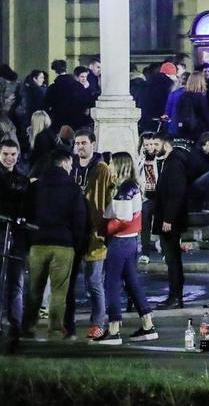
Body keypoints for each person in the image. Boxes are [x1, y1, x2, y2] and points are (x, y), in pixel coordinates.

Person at [23, 148, 86, 340]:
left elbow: (26, 213)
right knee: (59, 290)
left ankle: (28, 326)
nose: (71, 167)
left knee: (34, 288)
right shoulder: (73, 188)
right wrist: (78, 245)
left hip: (38, 243)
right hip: (63, 244)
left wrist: (29, 240)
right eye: (70, 164)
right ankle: (56, 328)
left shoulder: (36, 186)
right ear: (64, 163)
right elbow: (79, 220)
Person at [94, 153, 157, 345]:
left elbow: (122, 219)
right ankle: (147, 324)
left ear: (120, 166)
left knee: (111, 284)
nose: (110, 167)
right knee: (131, 282)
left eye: (112, 164)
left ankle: (114, 330)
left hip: (120, 242)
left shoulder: (125, 188)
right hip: (130, 242)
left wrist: (103, 229)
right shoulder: (131, 186)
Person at [69, 128, 111, 338]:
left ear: (93, 144)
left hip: (95, 233)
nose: (80, 147)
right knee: (70, 282)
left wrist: (102, 230)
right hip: (73, 232)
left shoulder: (101, 168)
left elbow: (105, 201)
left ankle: (98, 322)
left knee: (94, 282)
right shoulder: (71, 166)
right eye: (77, 143)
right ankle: (67, 323)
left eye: (83, 143)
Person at [151, 134, 191, 309]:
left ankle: (175, 297)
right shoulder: (170, 162)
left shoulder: (174, 164)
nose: (153, 147)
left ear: (166, 145)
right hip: (169, 218)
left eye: (156, 144)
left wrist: (168, 219)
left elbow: (176, 193)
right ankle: (175, 296)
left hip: (170, 221)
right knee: (172, 259)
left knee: (173, 260)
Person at [0, 137, 29, 339]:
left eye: (12, 154)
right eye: (5, 154)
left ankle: (15, 324)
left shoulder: (22, 180)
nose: (9, 158)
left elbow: (28, 206)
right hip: (1, 231)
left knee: (16, 281)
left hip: (17, 235)